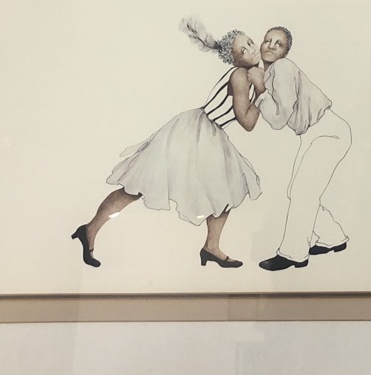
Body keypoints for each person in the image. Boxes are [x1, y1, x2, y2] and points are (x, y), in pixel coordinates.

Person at [71, 18, 263, 270]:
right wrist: (262, 95)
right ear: (235, 59)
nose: (251, 49)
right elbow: (247, 122)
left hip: (208, 133)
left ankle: (211, 247)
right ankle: (89, 230)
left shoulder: (250, 74)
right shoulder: (240, 76)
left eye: (250, 43)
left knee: (225, 188)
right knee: (141, 183)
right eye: (242, 50)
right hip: (195, 133)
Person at [249, 26, 351, 270]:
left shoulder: (283, 68)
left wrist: (260, 91)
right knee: (298, 191)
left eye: (279, 44)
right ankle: (333, 238)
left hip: (328, 132)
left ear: (285, 52)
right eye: (267, 40)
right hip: (314, 132)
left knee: (303, 193)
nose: (271, 45)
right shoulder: (270, 72)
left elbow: (278, 119)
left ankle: (293, 254)